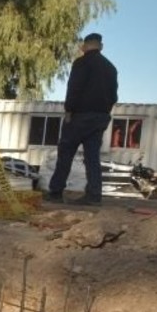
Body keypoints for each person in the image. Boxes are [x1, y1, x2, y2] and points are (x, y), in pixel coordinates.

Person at [46, 33, 119, 206]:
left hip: (80, 116)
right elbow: (113, 96)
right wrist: (104, 112)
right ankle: (94, 195)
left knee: (66, 153)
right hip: (100, 117)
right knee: (92, 157)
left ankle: (56, 192)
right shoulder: (111, 68)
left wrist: (69, 110)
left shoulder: (81, 63)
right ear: (101, 46)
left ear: (84, 46)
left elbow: (74, 88)